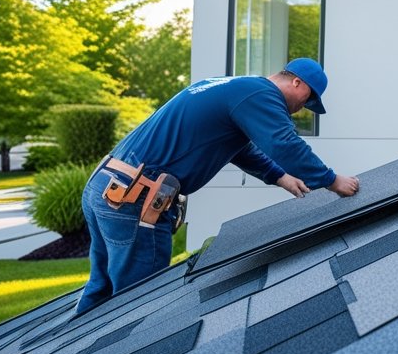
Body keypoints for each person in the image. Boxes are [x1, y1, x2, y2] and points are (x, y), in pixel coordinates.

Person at [76, 57, 359, 313]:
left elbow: (239, 149)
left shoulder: (234, 87)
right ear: (297, 82)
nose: (300, 110)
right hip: (134, 199)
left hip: (109, 186)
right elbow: (285, 143)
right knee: (138, 307)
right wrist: (333, 181)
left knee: (100, 293)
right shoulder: (263, 94)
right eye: (306, 100)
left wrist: (280, 177)